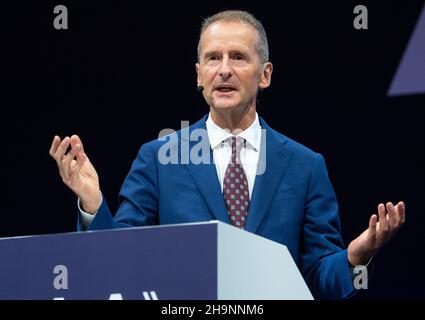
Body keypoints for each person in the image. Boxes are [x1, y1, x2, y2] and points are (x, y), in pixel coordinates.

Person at [49, 10, 405, 299]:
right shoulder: (159, 158)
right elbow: (120, 263)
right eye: (212, 58)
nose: (224, 69)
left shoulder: (305, 166)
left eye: (238, 57)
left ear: (264, 74)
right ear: (199, 75)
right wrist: (94, 205)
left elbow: (318, 278)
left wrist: (356, 257)